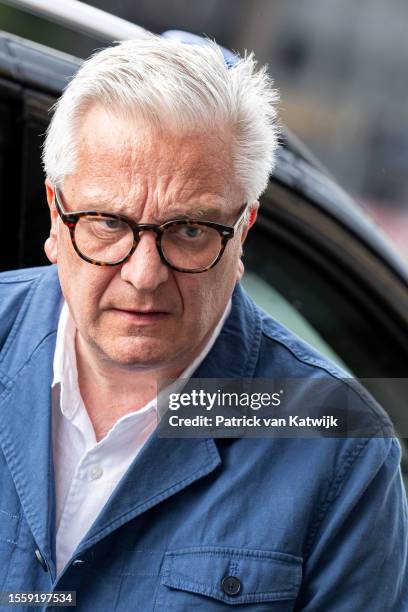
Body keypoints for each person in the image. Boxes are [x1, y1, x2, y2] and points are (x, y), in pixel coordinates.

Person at [0, 35, 406, 611]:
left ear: (244, 231)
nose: (143, 275)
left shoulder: (336, 445)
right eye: (108, 223)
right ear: (55, 214)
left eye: (189, 230)